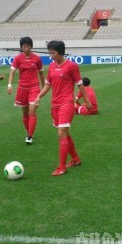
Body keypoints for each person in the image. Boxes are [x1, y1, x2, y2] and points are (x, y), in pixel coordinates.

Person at [36, 40, 91, 176]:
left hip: (66, 104)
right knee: (65, 134)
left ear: (60, 52)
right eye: (50, 53)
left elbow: (80, 85)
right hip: (54, 105)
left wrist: (87, 101)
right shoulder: (52, 66)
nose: (51, 55)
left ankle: (61, 167)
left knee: (61, 133)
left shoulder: (71, 66)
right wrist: (39, 96)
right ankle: (76, 159)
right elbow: (48, 84)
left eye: (53, 53)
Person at [7, 36, 45, 145]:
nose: (27, 48)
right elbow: (12, 71)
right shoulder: (18, 58)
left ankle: (29, 136)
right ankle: (29, 132)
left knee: (32, 110)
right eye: (24, 46)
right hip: (22, 88)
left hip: (34, 88)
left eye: (28, 46)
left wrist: (43, 88)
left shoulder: (37, 59)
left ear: (31, 46)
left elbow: (41, 73)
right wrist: (9, 85)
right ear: (21, 47)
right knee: (24, 112)